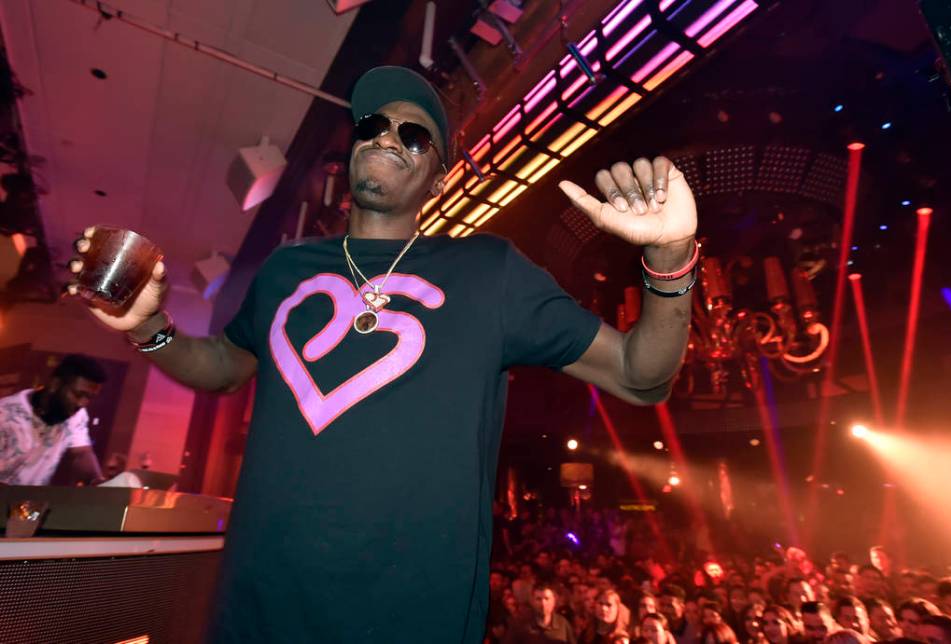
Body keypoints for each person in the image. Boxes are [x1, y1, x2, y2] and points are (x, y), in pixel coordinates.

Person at [68, 65, 698, 642]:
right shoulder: (288, 268)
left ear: (439, 177)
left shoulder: (489, 272)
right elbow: (227, 366)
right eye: (372, 125)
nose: (388, 137)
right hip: (260, 608)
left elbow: (641, 377)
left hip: (412, 618)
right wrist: (148, 325)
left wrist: (669, 261)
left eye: (415, 135)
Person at [0, 353, 106, 486]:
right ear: (55, 384)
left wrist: (98, 483)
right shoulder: (5, 414)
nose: (82, 404)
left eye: (90, 397)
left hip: (32, 504)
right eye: (78, 394)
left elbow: (81, 455)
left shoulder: (77, 415)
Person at [504, 583, 577, 644]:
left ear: (554, 601)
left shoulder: (562, 623)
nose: (543, 603)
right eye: (538, 599)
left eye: (547, 598)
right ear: (532, 601)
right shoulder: (520, 624)